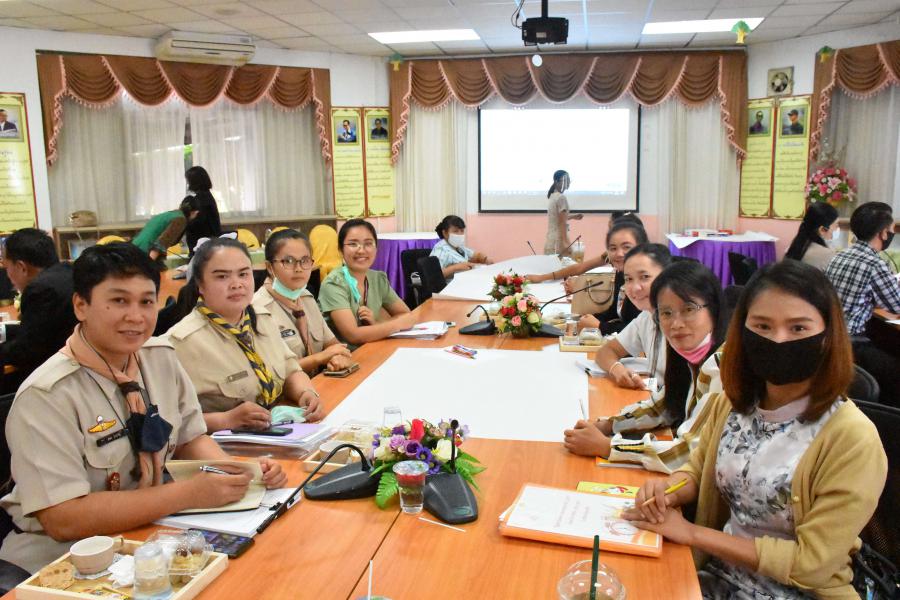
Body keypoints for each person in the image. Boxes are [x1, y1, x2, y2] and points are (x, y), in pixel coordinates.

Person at [0, 243, 287, 581]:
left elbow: (190, 438)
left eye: (146, 302)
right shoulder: (47, 396)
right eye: (119, 301)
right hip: (66, 559)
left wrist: (235, 473)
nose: (136, 317)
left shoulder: (159, 357)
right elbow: (63, 518)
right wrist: (188, 493)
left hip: (151, 535)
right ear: (81, 305)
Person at [625, 260, 886, 599]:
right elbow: (698, 470)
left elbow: (812, 563)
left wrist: (691, 533)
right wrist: (668, 490)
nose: (778, 340)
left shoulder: (852, 438)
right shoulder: (731, 404)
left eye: (798, 328)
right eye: (762, 326)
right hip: (718, 576)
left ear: (827, 337)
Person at [564, 260, 726, 474]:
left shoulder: (722, 366)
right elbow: (665, 405)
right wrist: (608, 425)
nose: (676, 323)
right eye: (666, 313)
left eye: (688, 309)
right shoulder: (691, 354)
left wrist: (608, 446)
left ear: (713, 308)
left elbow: (690, 453)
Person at [167, 237, 325, 433]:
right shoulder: (180, 343)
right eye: (222, 277)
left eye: (243, 274)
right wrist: (225, 419)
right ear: (200, 284)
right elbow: (168, 420)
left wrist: (305, 393)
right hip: (223, 443)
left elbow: (290, 370)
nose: (236, 284)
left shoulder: (262, 319)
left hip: (278, 431)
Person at [825, 201, 900, 405]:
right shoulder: (874, 263)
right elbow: (897, 305)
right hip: (851, 344)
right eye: (891, 229)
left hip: (829, 338)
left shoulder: (840, 256)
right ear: (883, 233)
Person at [254, 229, 354, 376]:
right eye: (288, 261)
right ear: (269, 267)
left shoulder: (306, 298)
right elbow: (273, 372)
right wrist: (320, 358)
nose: (299, 269)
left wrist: (338, 357)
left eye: (305, 261)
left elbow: (332, 344)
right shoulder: (257, 310)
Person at [318, 219, 416, 347]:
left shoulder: (378, 278)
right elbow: (353, 335)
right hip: (348, 355)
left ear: (376, 248)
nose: (361, 250)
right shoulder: (334, 284)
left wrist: (377, 324)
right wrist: (396, 325)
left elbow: (405, 314)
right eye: (353, 244)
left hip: (374, 346)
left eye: (368, 244)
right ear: (340, 250)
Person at [0, 228, 77, 390]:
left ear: (21, 267)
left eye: (7, 268)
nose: (7, 275)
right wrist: (4, 331)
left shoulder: (40, 289)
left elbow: (26, 351)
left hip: (56, 381)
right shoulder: (67, 273)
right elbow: (41, 330)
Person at [591, 243, 671, 388]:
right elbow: (606, 351)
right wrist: (617, 369)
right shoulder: (646, 317)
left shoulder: (681, 322)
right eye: (628, 279)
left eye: (645, 277)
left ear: (666, 277)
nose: (635, 287)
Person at [577, 219, 647, 334]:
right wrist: (589, 318)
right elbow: (614, 312)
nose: (619, 254)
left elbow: (640, 331)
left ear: (642, 247)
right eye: (613, 248)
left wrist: (600, 326)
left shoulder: (646, 283)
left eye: (626, 247)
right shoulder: (621, 273)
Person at [131, 198, 198, 261]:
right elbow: (161, 244)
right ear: (195, 212)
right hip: (145, 253)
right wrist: (149, 264)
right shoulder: (180, 220)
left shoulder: (167, 214)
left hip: (133, 248)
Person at [784, 202, 839, 270]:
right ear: (822, 229)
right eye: (836, 225)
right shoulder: (827, 255)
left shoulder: (793, 247)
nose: (837, 228)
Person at [182, 166, 221, 257]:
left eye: (188, 180)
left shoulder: (201, 199)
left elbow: (197, 223)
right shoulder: (207, 196)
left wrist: (185, 223)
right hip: (209, 244)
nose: (187, 183)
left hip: (202, 247)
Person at [543, 170, 582, 255]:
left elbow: (558, 218)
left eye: (568, 180)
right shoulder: (561, 198)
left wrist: (573, 216)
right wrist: (566, 242)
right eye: (565, 180)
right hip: (559, 242)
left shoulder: (552, 196)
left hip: (550, 241)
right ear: (556, 182)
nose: (567, 183)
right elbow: (562, 222)